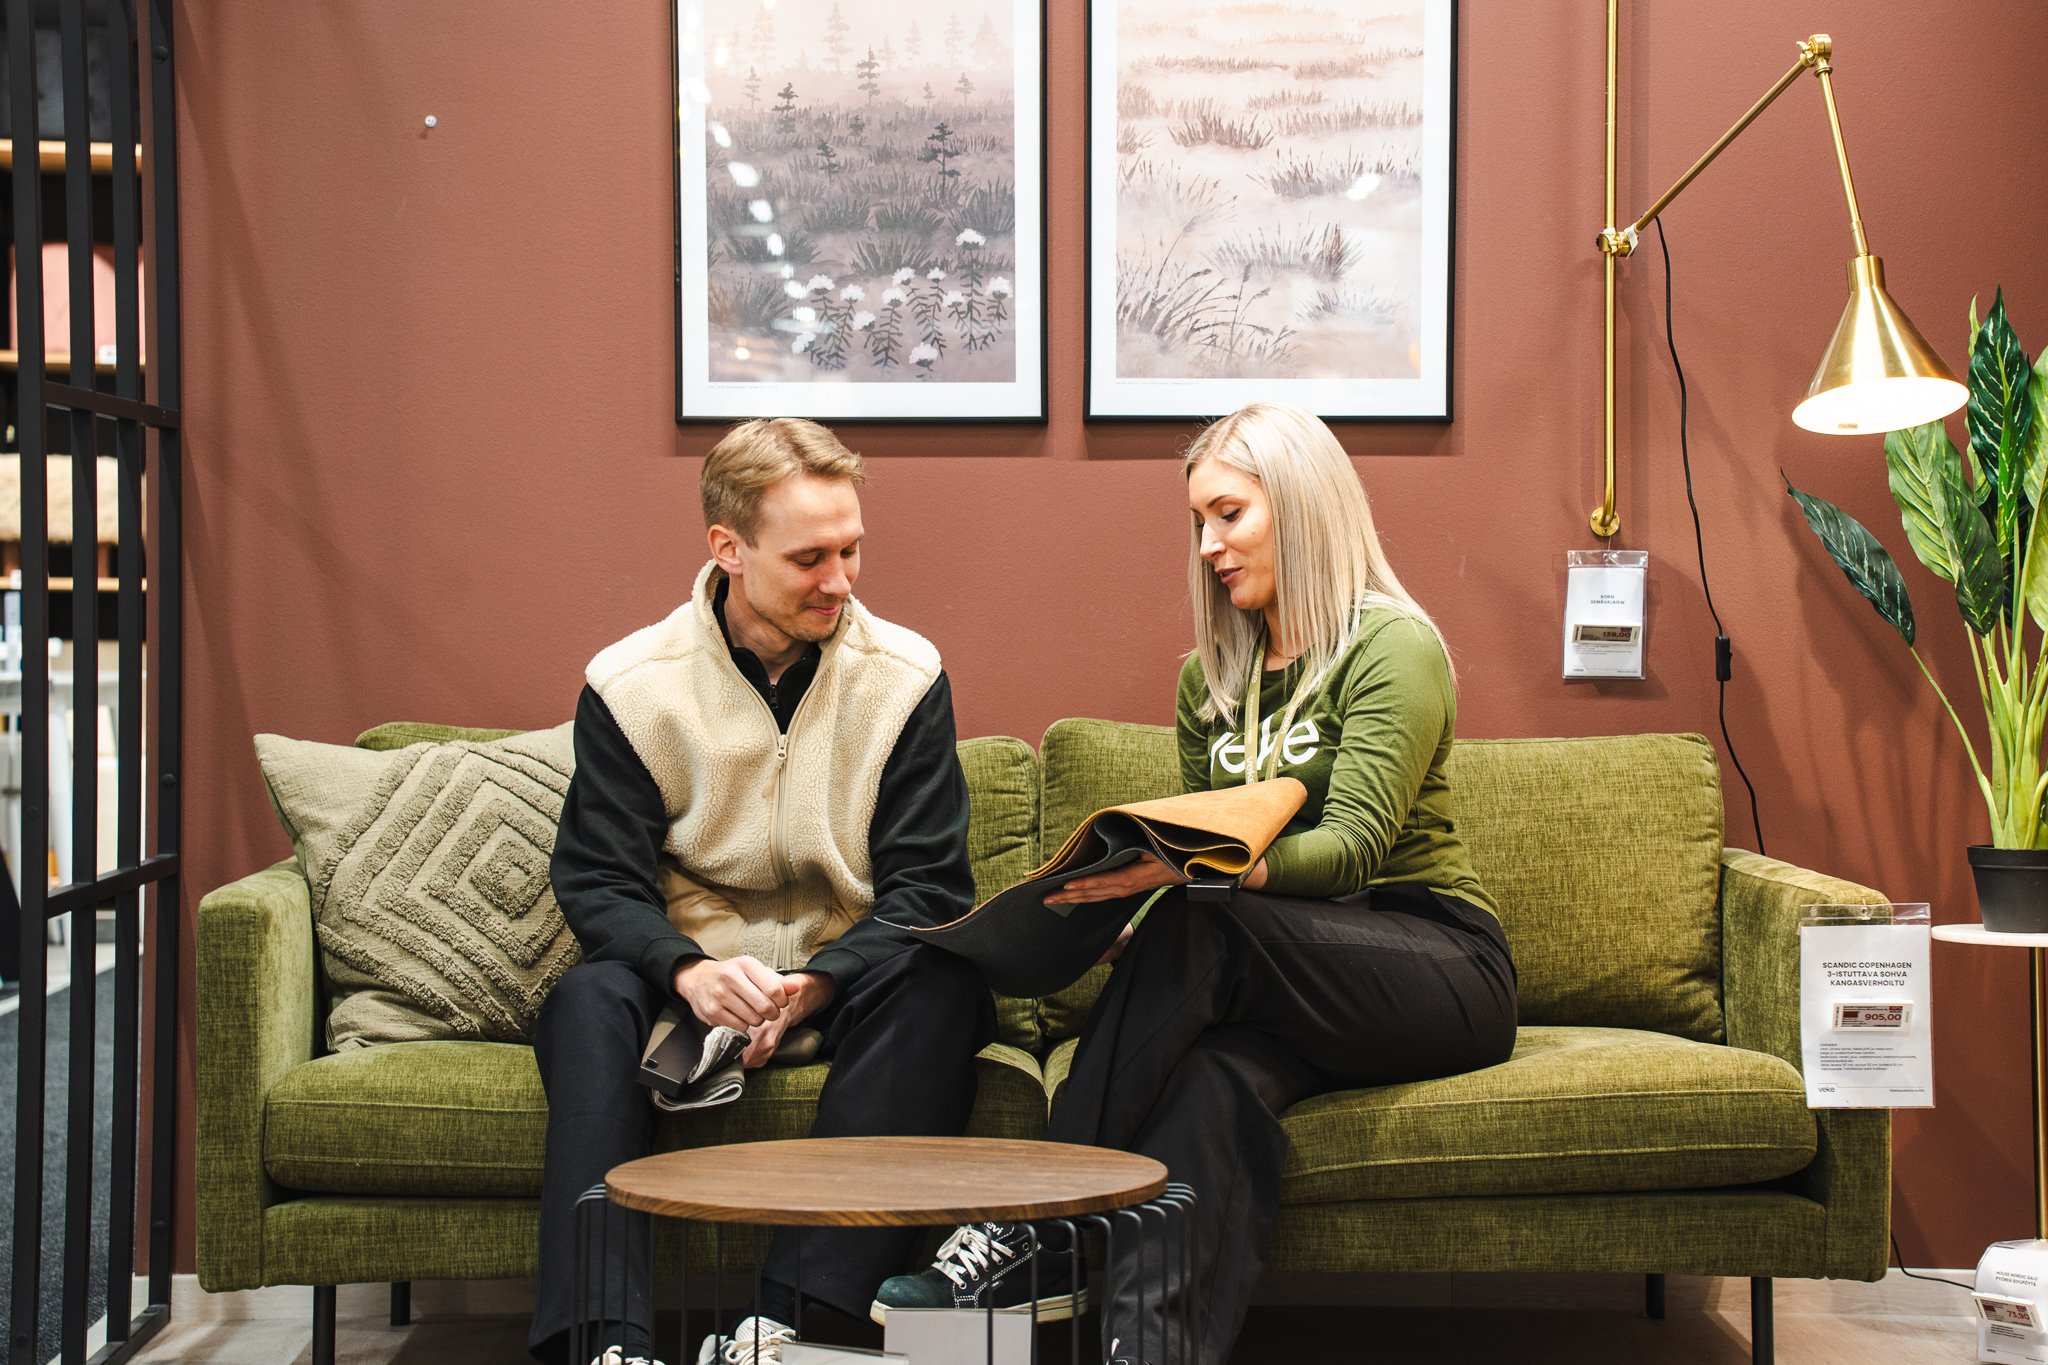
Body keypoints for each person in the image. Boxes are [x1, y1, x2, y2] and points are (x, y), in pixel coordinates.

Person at [872, 401, 1519, 1363]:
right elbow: (1213, 839)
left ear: (1299, 506)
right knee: (1213, 1088)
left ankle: (1035, 1222)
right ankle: (1147, 1347)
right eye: (1199, 524)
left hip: (1434, 964)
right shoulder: (1209, 679)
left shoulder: (1393, 646)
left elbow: (1353, 850)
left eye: (1229, 513)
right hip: (1282, 978)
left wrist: (1208, 879)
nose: (1210, 544)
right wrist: (1142, 894)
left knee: (1204, 923)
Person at [528, 418, 993, 1365]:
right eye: (810, 557)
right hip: (685, 985)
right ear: (728, 549)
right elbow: (597, 880)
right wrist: (689, 970)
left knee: (947, 985)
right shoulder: (631, 686)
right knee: (584, 998)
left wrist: (819, 981)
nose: (841, 579)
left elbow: (930, 887)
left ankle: (786, 1326)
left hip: (849, 975)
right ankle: (606, 1344)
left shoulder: (905, 677)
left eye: (853, 548)